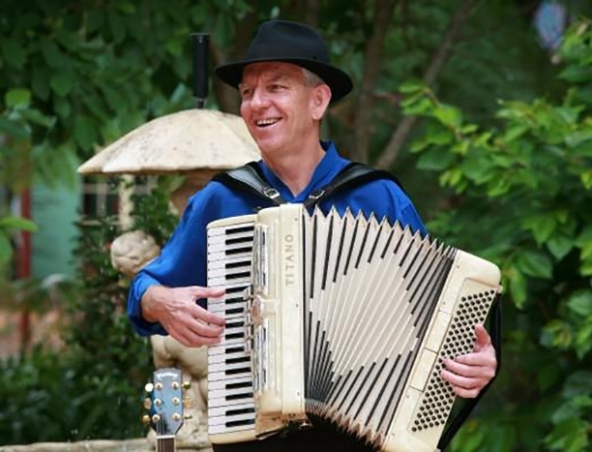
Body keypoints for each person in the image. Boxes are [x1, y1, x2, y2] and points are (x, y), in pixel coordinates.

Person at [127, 19, 497, 452]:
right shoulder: (221, 200)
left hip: (361, 439)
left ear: (318, 101)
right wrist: (158, 300)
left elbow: (438, 323)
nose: (256, 104)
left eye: (276, 88)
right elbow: (145, 288)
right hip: (253, 436)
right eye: (247, 92)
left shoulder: (378, 197)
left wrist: (477, 365)